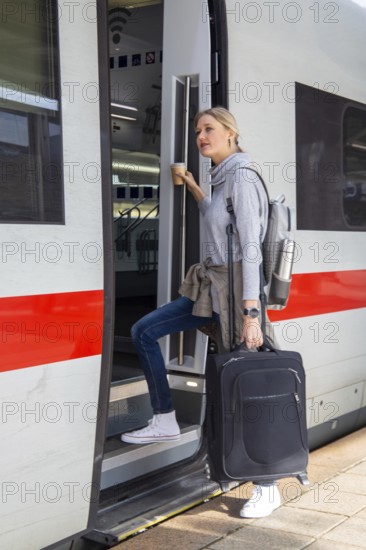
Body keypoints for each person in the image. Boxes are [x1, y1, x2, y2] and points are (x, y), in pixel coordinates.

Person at [121, 106, 281, 518]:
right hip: (211, 289)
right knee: (144, 330)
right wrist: (192, 185)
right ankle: (165, 418)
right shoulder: (222, 177)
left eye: (209, 129)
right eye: (197, 131)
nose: (200, 136)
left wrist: (250, 314)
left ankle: (267, 485)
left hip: (233, 296)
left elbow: (248, 249)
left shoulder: (242, 178)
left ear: (231, 133)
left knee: (245, 385)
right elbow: (217, 220)